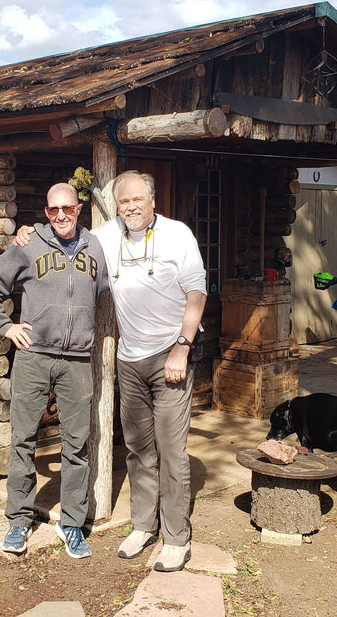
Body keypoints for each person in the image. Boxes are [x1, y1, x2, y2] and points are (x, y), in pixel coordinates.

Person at [15, 170, 206, 572]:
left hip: (171, 354)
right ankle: (143, 525)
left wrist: (182, 348)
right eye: (123, 201)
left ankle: (175, 538)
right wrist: (26, 232)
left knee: (171, 451)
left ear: (153, 201)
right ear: (115, 205)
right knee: (138, 449)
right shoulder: (105, 236)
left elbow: (196, 292)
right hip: (130, 358)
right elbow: (62, 233)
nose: (131, 207)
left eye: (138, 199)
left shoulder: (178, 235)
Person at [0, 182, 110, 559]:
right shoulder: (28, 245)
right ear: (46, 212)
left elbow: (102, 290)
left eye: (67, 208)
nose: (61, 216)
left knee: (76, 444)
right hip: (34, 356)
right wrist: (4, 326)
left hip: (76, 361)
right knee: (23, 439)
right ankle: (19, 520)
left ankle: (71, 524)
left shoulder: (94, 247)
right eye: (53, 210)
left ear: (79, 209)